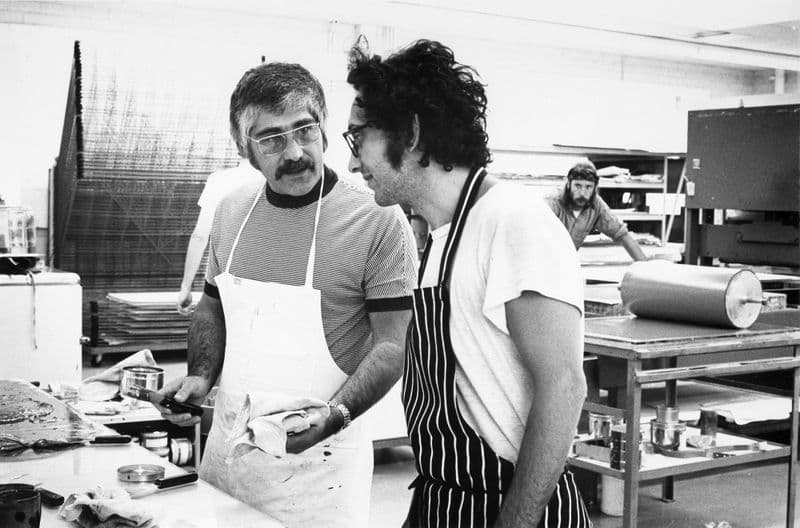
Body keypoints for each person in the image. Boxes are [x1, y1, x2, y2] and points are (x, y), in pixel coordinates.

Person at [156, 61, 417, 527]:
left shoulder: (377, 219)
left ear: (324, 128)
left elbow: (394, 346)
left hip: (319, 476)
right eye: (272, 138)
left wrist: (336, 415)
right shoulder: (232, 212)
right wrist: (200, 376)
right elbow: (212, 309)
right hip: (227, 463)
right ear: (244, 147)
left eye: (305, 129)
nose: (295, 152)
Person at [346, 39, 592, 527]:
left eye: (358, 138)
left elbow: (564, 387)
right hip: (447, 498)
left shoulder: (512, 220)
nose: (353, 163)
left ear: (410, 133)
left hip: (509, 506)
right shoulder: (442, 235)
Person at [175, 157, 262, 314]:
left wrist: (185, 287)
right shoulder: (276, 181)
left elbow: (200, 236)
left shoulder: (219, 180)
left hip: (225, 282)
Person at [547, 161, 647, 261]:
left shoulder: (596, 205)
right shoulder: (552, 203)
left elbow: (622, 234)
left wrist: (645, 266)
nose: (582, 193)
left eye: (588, 187)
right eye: (577, 186)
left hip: (568, 261)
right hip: (545, 260)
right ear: (568, 184)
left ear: (595, 187)